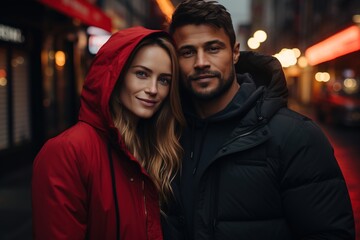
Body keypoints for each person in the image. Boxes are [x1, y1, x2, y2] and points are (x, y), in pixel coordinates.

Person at [162, 0, 355, 239]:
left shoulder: (296, 136)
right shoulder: (166, 135)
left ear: (234, 53)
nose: (201, 62)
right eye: (188, 52)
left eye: (213, 48)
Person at [32, 26, 185, 240]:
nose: (153, 89)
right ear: (116, 74)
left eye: (164, 80)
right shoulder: (66, 152)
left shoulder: (155, 148)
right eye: (142, 74)